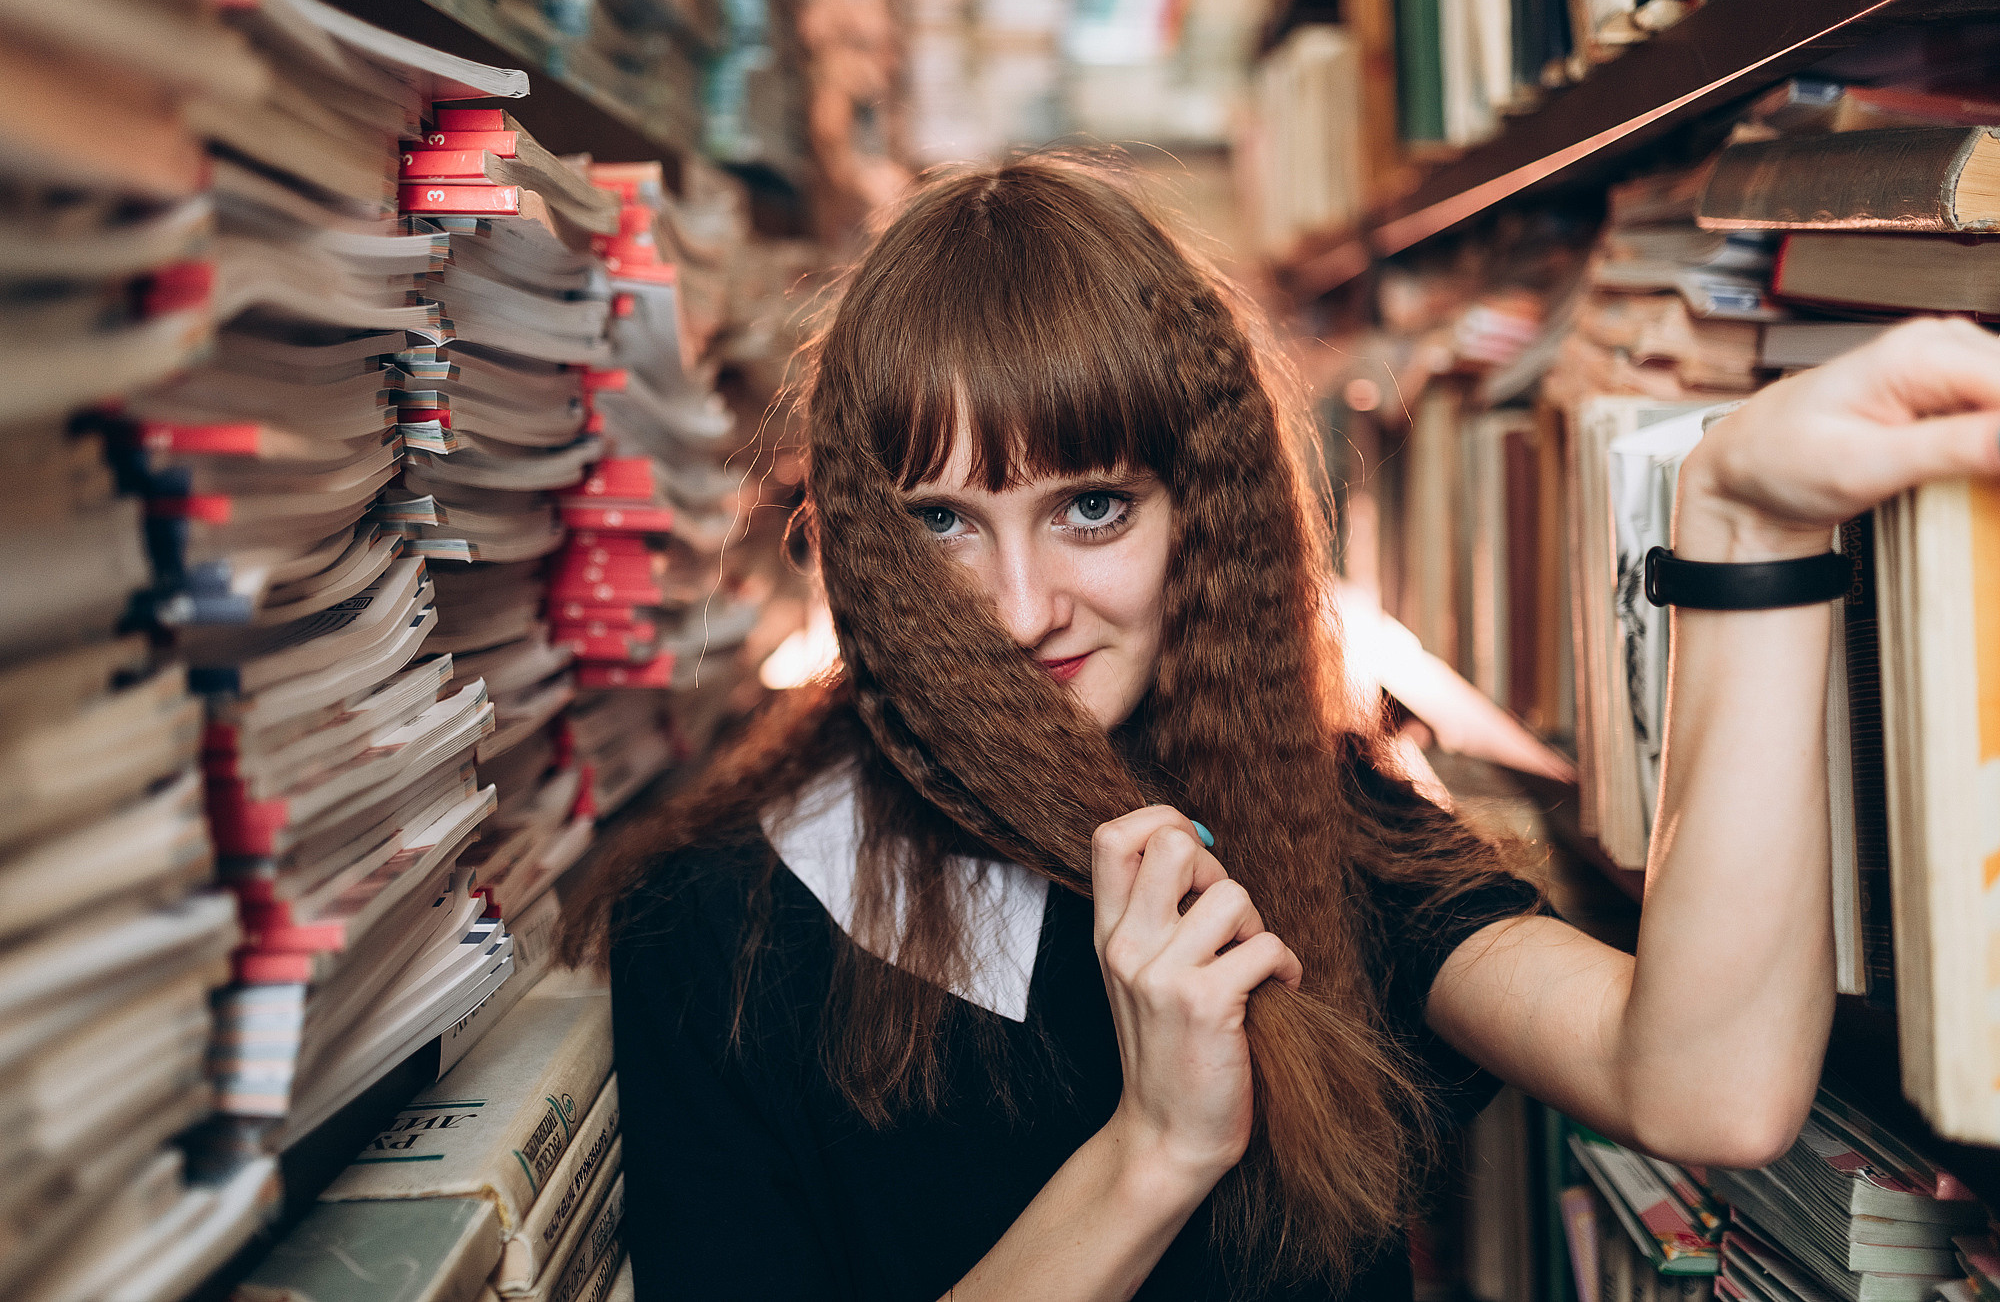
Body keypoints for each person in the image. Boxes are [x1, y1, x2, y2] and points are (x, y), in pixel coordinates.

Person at [562, 153, 2000, 1301]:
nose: (1017, 609)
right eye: (942, 522)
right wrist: (1156, 1153)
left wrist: (1743, 529)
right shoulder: (714, 918)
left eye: (1091, 507)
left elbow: (1704, 1088)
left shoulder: (1326, 816)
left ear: (1208, 514)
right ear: (864, 538)